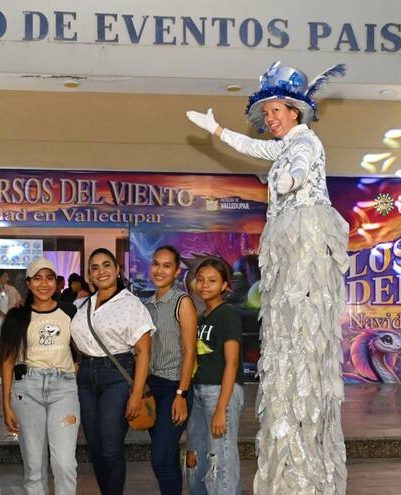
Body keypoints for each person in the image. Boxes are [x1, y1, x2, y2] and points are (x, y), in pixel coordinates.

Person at [186, 62, 349, 494]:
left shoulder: (305, 143)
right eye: (267, 113)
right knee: (288, 329)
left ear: (295, 110)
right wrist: (217, 131)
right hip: (289, 237)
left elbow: (297, 162)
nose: (271, 118)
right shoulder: (283, 145)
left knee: (304, 323)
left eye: (277, 110)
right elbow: (254, 149)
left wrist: (291, 179)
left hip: (304, 236)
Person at [70, 248, 155, 495]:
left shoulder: (131, 304)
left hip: (116, 377)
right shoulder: (82, 304)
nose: (101, 271)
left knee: (110, 448)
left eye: (107, 265)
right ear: (89, 275)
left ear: (117, 269)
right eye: (95, 267)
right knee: (95, 449)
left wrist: (136, 394)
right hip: (86, 378)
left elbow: (143, 352)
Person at [0, 257, 79, 495]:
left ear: (56, 282)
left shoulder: (70, 311)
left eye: (49, 278)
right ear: (29, 282)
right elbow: (7, 361)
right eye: (37, 278)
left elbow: (84, 346)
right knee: (34, 468)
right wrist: (5, 405)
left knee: (65, 463)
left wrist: (77, 366)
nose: (44, 284)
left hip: (63, 390)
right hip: (27, 391)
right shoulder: (17, 316)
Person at [184, 257, 244, 495]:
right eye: (200, 280)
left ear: (224, 286)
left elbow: (232, 364)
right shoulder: (202, 317)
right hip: (199, 392)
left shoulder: (226, 314)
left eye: (212, 281)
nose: (205, 285)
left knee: (223, 458)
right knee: (196, 456)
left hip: (220, 392)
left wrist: (221, 409)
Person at [143, 246, 197, 495]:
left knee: (160, 458)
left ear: (176, 271)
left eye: (166, 266)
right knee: (168, 455)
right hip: (153, 386)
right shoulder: (147, 304)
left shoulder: (182, 302)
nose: (159, 270)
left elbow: (189, 352)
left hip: (174, 387)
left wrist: (181, 394)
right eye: (156, 264)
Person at [0, 270, 23, 375]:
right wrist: (4, 315)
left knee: (4, 345)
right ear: (0, 277)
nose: (7, 278)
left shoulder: (3, 290)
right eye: (5, 276)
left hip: (1, 321)